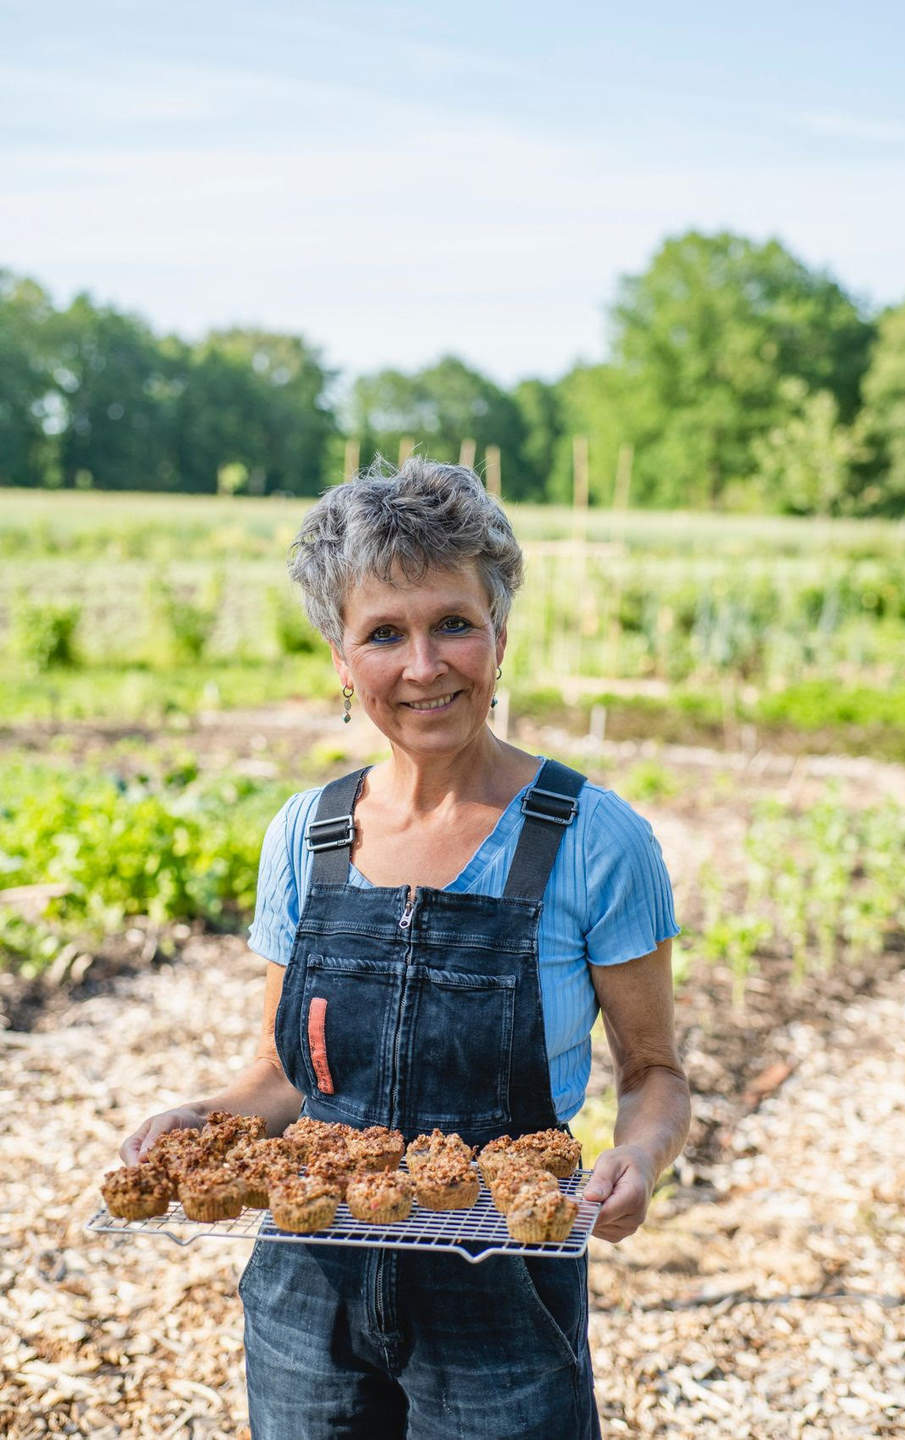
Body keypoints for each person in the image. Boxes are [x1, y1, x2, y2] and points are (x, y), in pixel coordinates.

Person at [121, 457, 690, 1439]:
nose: (423, 667)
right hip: (309, 1294)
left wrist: (640, 1155)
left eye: (453, 624)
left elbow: (657, 1071)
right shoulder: (308, 834)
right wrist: (201, 1115)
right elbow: (279, 1077)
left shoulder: (594, 838)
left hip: (501, 1300)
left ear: (500, 637)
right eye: (384, 634)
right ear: (343, 661)